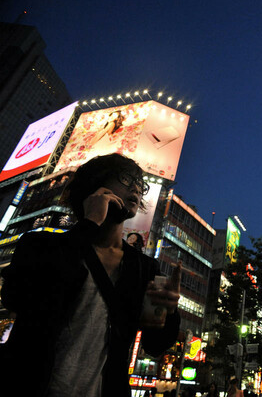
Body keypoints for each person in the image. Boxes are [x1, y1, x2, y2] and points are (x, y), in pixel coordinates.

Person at [0, 153, 181, 396]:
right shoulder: (39, 244)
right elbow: (17, 298)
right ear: (96, 185)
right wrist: (89, 223)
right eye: (127, 179)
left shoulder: (143, 267)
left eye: (140, 183)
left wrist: (169, 312)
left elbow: (155, 345)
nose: (137, 188)